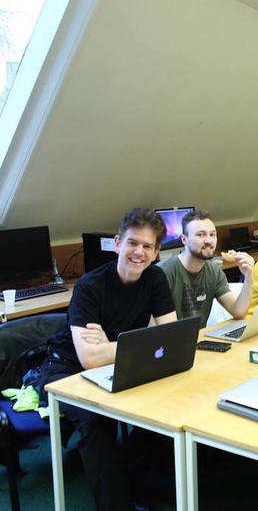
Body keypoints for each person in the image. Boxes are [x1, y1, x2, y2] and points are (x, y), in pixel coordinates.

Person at [26, 208, 177, 511]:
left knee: (161, 407)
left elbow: (171, 337)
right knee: (97, 421)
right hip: (64, 369)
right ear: (118, 243)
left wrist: (112, 344)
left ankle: (135, 482)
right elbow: (89, 358)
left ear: (157, 252)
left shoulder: (155, 278)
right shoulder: (89, 286)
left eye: (148, 246)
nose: (139, 252)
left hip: (116, 361)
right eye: (133, 243)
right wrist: (139, 342)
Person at [158, 209, 254, 328]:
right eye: (200, 235)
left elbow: (239, 312)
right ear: (184, 239)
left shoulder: (214, 271)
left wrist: (249, 277)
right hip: (173, 342)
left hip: (200, 339)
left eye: (212, 234)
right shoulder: (163, 272)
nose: (209, 240)